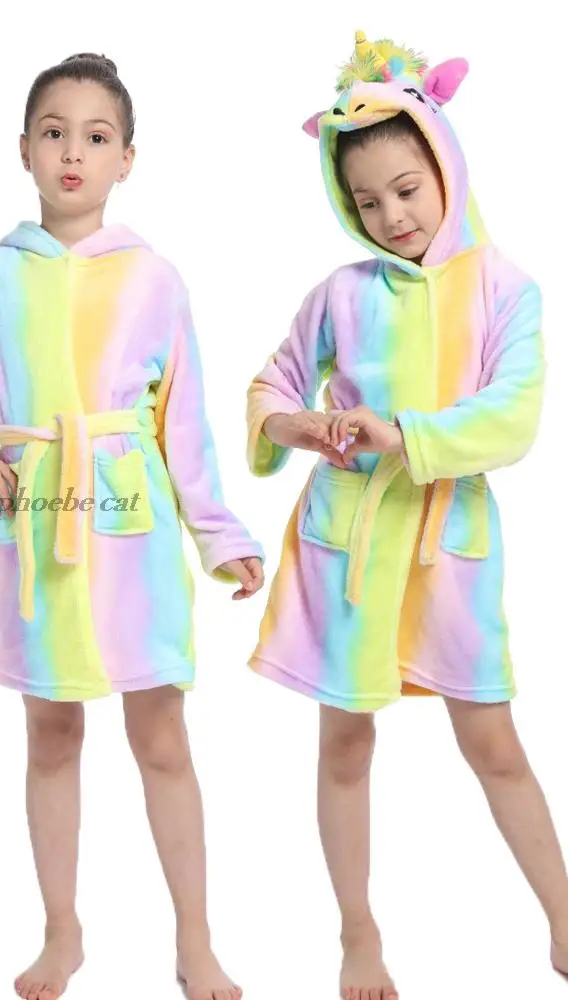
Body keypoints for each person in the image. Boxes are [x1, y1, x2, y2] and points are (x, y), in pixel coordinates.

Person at [0, 51, 263, 1000]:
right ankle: (62, 933)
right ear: (24, 150)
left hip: (135, 539)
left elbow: (184, 425)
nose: (73, 153)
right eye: (55, 133)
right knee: (50, 733)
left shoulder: (154, 278)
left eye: (97, 136)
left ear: (128, 157)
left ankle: (196, 940)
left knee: (161, 736)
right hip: (39, 530)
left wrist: (221, 535)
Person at [246, 30, 567, 1000]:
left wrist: (406, 434)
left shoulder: (507, 291)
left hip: (447, 545)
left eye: (406, 190)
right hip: (350, 542)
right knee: (346, 743)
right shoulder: (341, 294)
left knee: (492, 741)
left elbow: (512, 416)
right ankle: (359, 934)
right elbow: (272, 386)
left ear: (446, 169)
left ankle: (563, 914)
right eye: (367, 202)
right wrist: (298, 425)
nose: (391, 216)